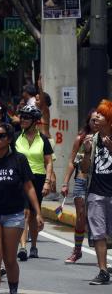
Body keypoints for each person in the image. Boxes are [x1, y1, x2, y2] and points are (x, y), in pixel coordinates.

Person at [0, 123, 43, 294]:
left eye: (1, 136)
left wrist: (38, 212)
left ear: (9, 139)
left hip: (13, 214)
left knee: (9, 259)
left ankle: (13, 290)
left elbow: (29, 187)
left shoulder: (19, 160)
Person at [14, 105, 53, 261]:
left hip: (38, 177)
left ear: (35, 121)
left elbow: (49, 162)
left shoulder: (43, 139)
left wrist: (48, 182)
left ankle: (34, 245)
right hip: (20, 179)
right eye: (21, 116)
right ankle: (22, 247)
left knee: (33, 215)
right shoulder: (16, 137)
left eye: (26, 117)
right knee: (25, 212)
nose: (22, 120)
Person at [60, 110, 99, 264]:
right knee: (81, 215)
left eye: (98, 120)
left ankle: (100, 254)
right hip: (81, 180)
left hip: (98, 182)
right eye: (92, 120)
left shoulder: (105, 138)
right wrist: (65, 182)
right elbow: (71, 161)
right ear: (88, 122)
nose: (95, 123)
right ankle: (77, 251)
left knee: (97, 217)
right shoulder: (81, 138)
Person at [83, 100, 112, 285]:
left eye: (101, 115)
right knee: (99, 234)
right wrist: (86, 153)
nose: (96, 117)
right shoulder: (91, 140)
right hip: (95, 193)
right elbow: (85, 169)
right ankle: (103, 271)